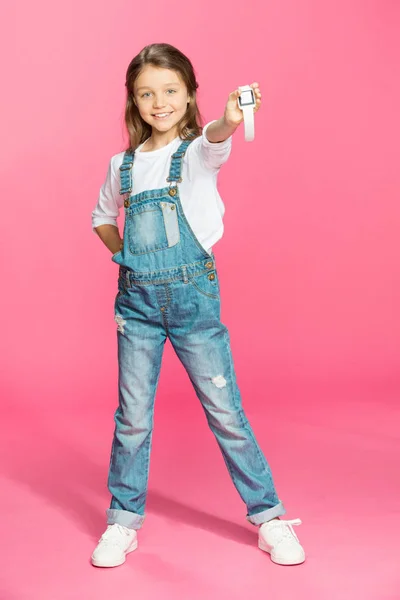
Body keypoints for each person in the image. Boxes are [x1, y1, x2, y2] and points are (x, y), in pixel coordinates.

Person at [90, 43, 305, 568]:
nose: (158, 101)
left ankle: (269, 516)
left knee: (225, 411)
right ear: (133, 101)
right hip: (136, 308)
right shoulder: (121, 165)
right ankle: (122, 521)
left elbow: (217, 138)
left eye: (169, 91)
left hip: (193, 303)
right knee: (133, 419)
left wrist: (230, 120)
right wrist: (127, 259)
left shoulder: (198, 152)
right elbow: (100, 218)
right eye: (146, 93)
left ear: (188, 96)